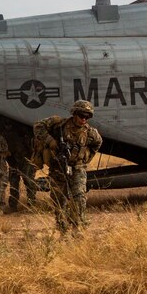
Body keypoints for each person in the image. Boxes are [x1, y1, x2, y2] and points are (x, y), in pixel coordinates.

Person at [32, 100, 103, 236]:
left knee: (79, 197)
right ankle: (62, 229)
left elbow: (98, 143)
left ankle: (77, 227)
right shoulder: (58, 124)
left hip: (77, 168)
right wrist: (50, 141)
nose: (84, 119)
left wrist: (86, 157)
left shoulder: (90, 133)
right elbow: (37, 126)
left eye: (87, 117)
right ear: (74, 113)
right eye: (82, 115)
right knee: (59, 199)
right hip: (58, 168)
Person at [3, 121, 38, 213]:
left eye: (9, 124)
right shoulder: (5, 135)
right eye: (6, 124)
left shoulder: (23, 133)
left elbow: (31, 149)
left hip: (25, 161)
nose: (7, 126)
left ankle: (32, 205)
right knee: (14, 184)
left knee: (29, 182)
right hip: (13, 161)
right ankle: (13, 206)